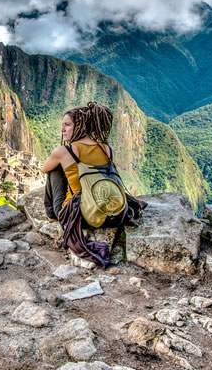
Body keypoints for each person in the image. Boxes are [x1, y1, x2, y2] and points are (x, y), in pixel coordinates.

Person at [42, 102, 143, 267]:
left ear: (81, 126)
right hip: (113, 214)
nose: (63, 130)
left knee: (54, 169)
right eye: (63, 125)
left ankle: (53, 214)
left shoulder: (64, 151)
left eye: (67, 125)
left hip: (83, 217)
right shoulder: (106, 149)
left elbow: (44, 168)